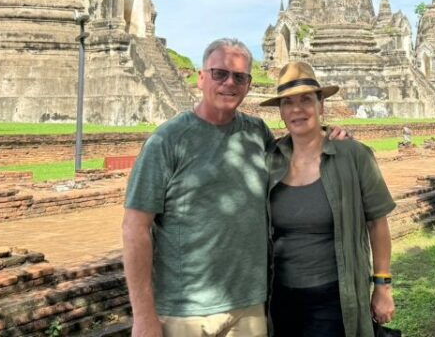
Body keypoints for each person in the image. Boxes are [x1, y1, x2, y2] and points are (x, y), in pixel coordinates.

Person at [123, 38, 348, 337]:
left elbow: (299, 153)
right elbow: (135, 228)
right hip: (187, 309)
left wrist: (329, 136)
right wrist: (143, 316)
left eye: (240, 77)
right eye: (220, 73)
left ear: (248, 84)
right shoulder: (167, 141)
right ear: (201, 78)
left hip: (249, 304)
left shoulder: (256, 133)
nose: (230, 83)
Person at [261, 62, 396, 337]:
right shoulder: (269, 160)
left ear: (321, 105)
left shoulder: (353, 156)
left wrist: (382, 287)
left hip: (334, 295)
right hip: (280, 296)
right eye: (288, 103)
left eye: (306, 100)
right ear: (281, 112)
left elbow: (377, 224)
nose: (297, 109)